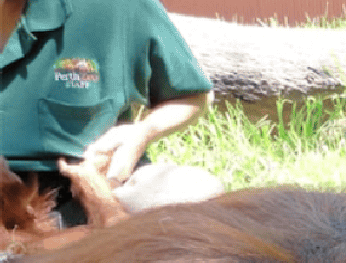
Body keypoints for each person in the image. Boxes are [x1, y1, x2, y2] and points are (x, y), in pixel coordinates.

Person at [1, 0, 219, 227]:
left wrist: (141, 134)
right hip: (14, 203)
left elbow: (193, 96)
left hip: (86, 186)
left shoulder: (120, 7)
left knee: (198, 190)